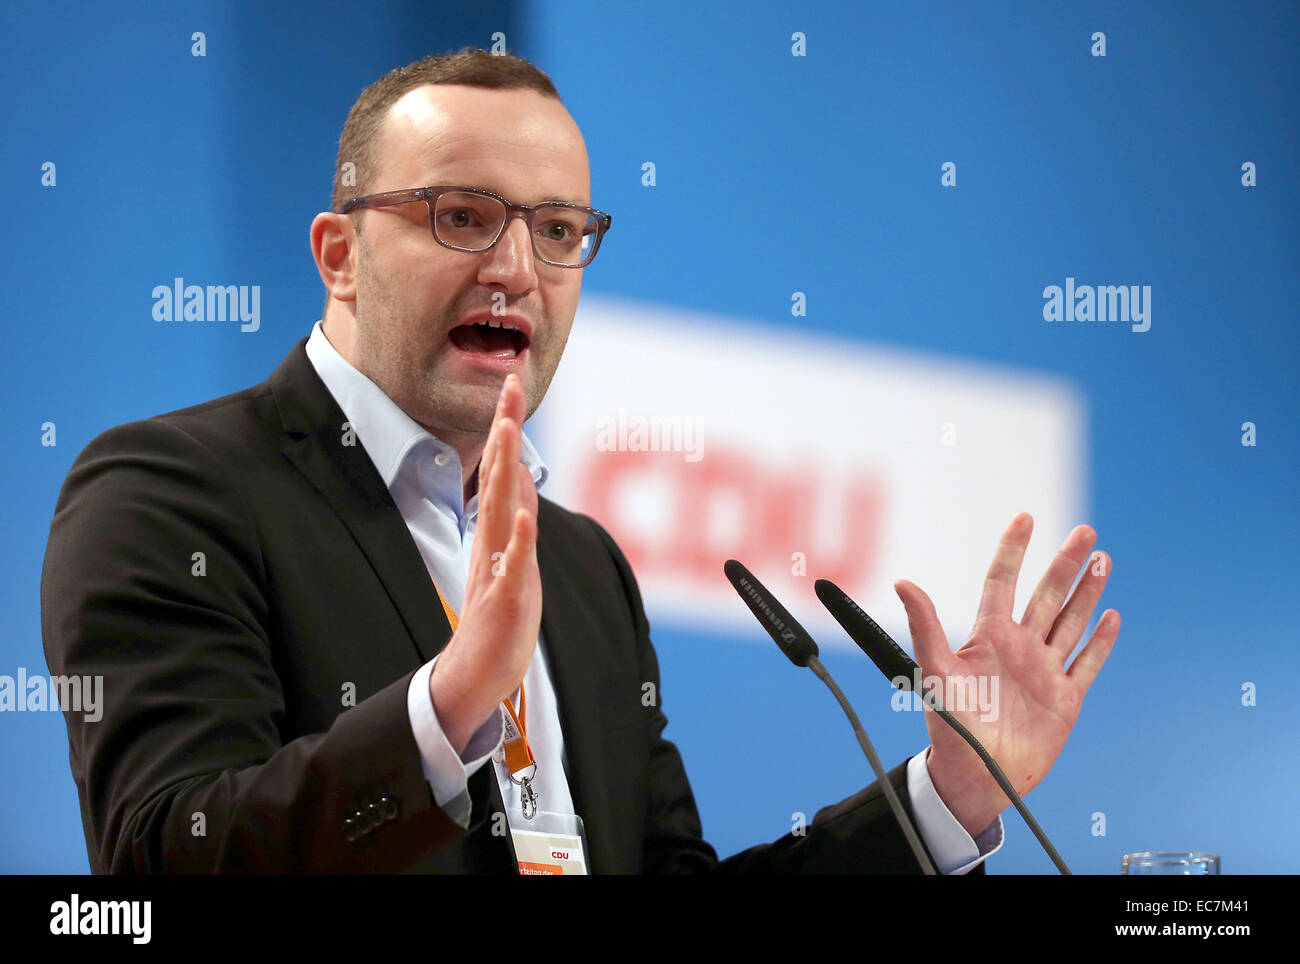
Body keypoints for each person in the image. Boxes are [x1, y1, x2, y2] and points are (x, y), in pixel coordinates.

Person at [41, 48, 1120, 874]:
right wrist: (447, 704)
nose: (515, 267)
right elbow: (157, 860)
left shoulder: (584, 564)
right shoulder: (171, 492)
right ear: (340, 256)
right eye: (460, 216)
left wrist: (949, 794)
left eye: (557, 231)